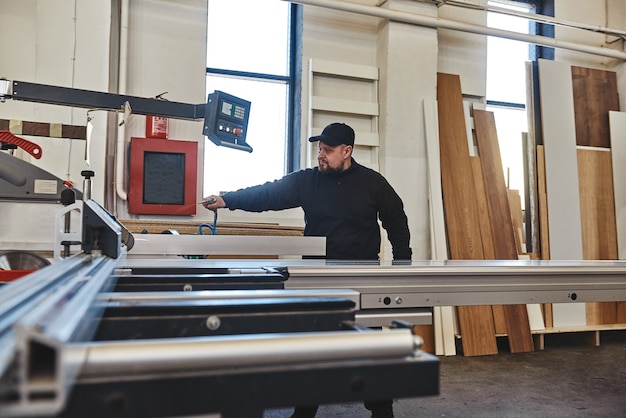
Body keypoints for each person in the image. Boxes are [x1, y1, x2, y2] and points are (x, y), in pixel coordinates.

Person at [202, 122, 412, 418]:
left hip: (361, 279)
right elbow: (268, 194)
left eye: (327, 150)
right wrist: (228, 200)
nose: (321, 155)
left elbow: (396, 220)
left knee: (371, 348)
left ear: (347, 151)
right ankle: (304, 412)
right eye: (319, 149)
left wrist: (403, 263)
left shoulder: (372, 183)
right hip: (318, 277)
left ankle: (381, 410)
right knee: (312, 349)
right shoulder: (307, 182)